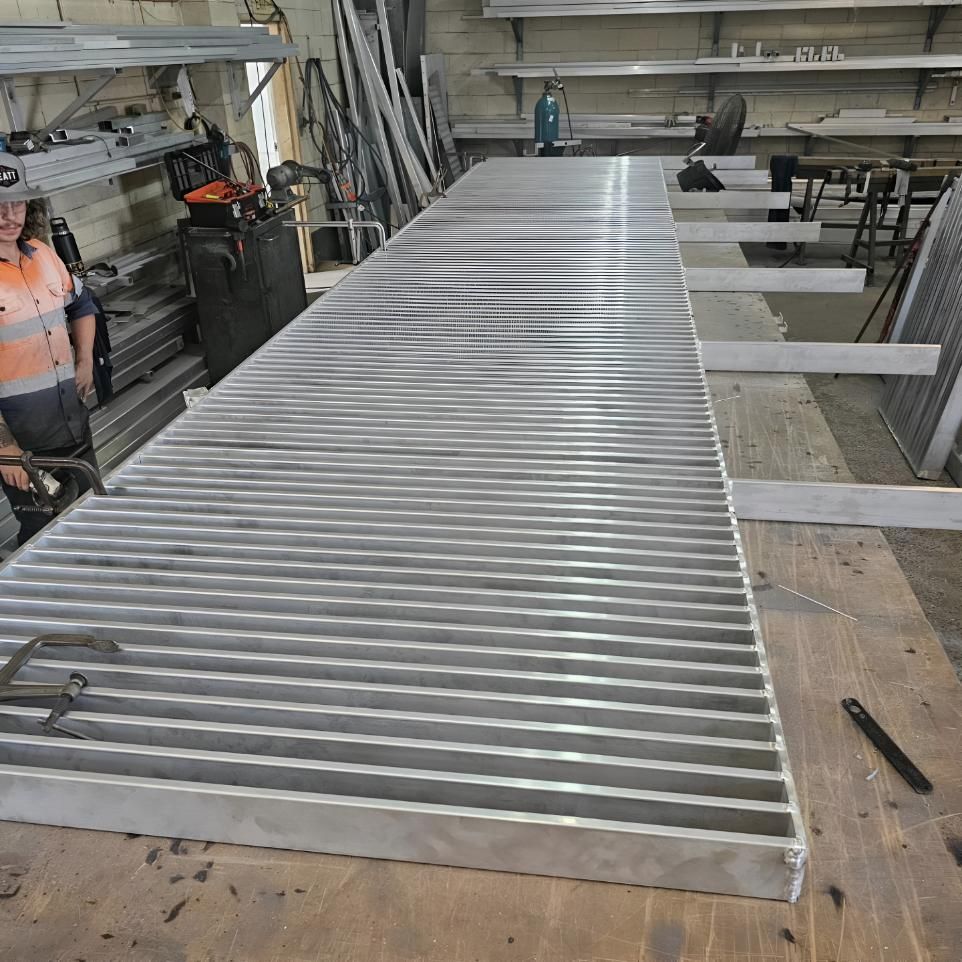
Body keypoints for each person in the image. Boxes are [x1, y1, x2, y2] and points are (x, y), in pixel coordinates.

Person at [0, 197, 99, 545]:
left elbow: (82, 305)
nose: (8, 215)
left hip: (73, 424)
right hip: (25, 446)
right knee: (47, 535)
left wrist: (84, 359)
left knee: (90, 514)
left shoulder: (42, 254)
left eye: (16, 204)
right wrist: (7, 453)